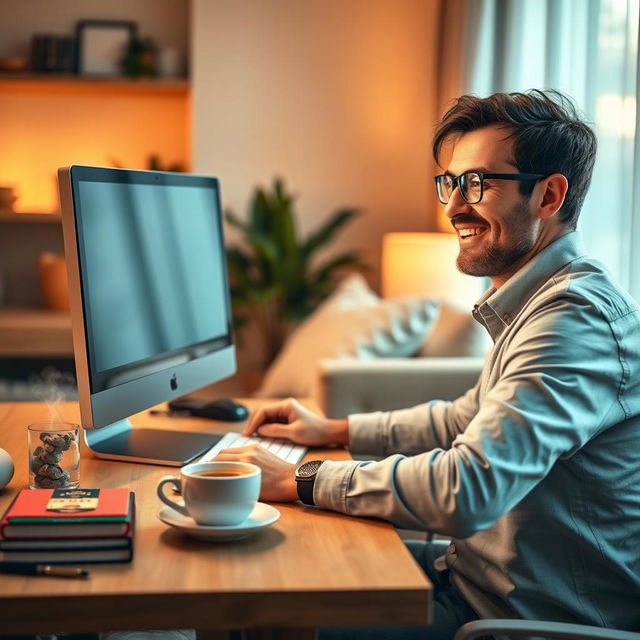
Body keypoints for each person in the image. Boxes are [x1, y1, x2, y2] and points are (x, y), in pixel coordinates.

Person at [215, 89, 640, 638]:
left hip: (516, 623)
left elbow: (469, 491)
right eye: (451, 182)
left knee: (273, 609)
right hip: (469, 582)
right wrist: (334, 429)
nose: (454, 205)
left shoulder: (573, 321)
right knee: (268, 572)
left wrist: (302, 477)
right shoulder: (538, 300)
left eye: (478, 183)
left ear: (549, 195)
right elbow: (464, 419)